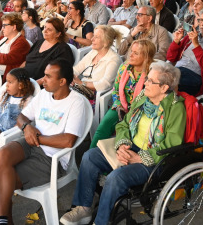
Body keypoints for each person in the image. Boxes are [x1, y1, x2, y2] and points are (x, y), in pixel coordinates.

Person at [60, 61, 186, 225]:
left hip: (153, 159)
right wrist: (122, 145)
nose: (145, 83)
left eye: (150, 81)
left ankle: (101, 222)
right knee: (90, 157)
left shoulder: (176, 108)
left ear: (164, 88)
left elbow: (171, 145)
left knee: (116, 178)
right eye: (147, 78)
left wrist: (139, 158)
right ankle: (83, 208)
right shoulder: (142, 97)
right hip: (131, 147)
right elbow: (124, 124)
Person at [0, 60, 90, 225]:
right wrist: (27, 127)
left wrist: (38, 138)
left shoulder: (76, 102)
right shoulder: (43, 94)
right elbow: (22, 117)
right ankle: (2, 220)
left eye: (48, 77)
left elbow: (68, 141)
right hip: (30, 145)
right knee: (3, 152)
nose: (43, 79)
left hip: (50, 159)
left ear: (62, 81)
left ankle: (4, 222)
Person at [89, 40, 155, 148]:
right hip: (121, 106)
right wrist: (119, 104)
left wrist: (132, 112)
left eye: (136, 53)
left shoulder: (151, 75)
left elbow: (151, 100)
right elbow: (115, 90)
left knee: (130, 135)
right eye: (131, 51)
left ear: (146, 57)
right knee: (103, 128)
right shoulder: (124, 67)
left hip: (140, 112)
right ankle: (90, 155)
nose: (131, 55)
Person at [167, 8, 203, 95]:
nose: (202, 24)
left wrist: (196, 45)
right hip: (177, 69)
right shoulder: (191, 36)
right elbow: (171, 57)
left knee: (167, 86)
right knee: (153, 79)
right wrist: (176, 41)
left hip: (194, 76)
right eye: (200, 20)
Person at [72, 25, 122, 102]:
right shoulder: (93, 52)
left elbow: (105, 84)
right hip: (79, 87)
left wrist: (81, 83)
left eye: (96, 37)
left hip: (95, 94)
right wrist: (70, 77)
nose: (92, 39)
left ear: (106, 41)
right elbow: (77, 68)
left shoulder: (114, 59)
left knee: (65, 95)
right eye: (93, 36)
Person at [0, 13, 30, 79]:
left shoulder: (22, 43)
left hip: (4, 77)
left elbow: (8, 58)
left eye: (4, 26)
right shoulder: (1, 39)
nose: (2, 29)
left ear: (14, 27)